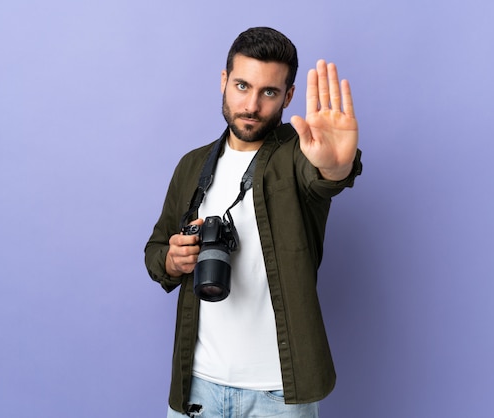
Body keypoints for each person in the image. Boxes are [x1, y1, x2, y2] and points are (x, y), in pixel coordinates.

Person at [144, 26, 362, 417]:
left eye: (269, 92)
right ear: (224, 81)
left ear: (288, 96)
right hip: (197, 385)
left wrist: (338, 165)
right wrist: (171, 261)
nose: (252, 105)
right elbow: (156, 249)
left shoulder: (299, 156)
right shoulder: (193, 165)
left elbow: (324, 177)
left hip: (278, 394)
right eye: (242, 86)